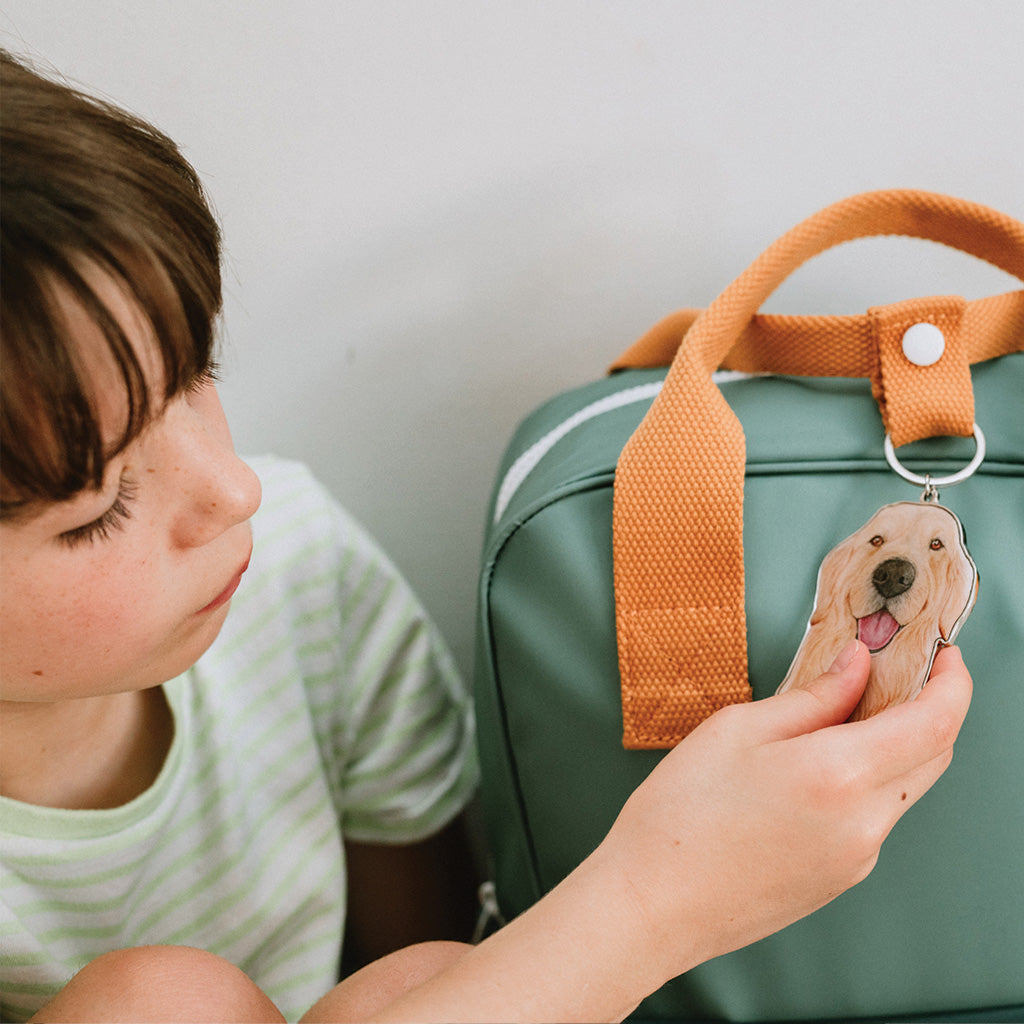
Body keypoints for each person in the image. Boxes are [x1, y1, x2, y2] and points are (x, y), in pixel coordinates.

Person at [0, 48, 973, 1024]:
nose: (236, 487)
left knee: (417, 977)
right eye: (103, 505)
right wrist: (653, 904)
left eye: (195, 375)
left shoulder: (293, 568)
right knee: (162, 1004)